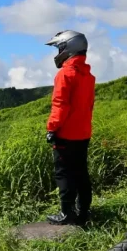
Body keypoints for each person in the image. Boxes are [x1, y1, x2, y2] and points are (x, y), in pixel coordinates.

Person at [43, 30, 96, 227]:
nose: (58, 52)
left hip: (66, 133)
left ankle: (66, 213)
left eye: (60, 48)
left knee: (64, 173)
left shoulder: (65, 74)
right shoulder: (88, 76)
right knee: (81, 172)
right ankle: (83, 212)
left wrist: (52, 128)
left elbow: (60, 104)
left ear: (69, 48)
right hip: (83, 132)